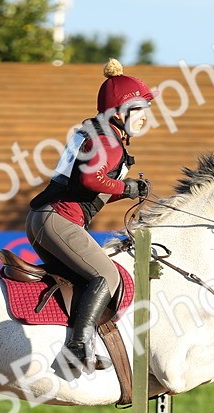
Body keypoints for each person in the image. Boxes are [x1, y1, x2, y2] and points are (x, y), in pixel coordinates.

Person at [27, 58, 154, 373]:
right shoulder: (107, 139)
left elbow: (90, 191)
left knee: (85, 278)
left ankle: (72, 341)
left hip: (46, 218)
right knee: (107, 276)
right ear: (120, 112)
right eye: (140, 109)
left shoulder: (97, 133)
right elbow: (88, 179)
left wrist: (126, 190)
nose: (145, 117)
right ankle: (77, 348)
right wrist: (125, 186)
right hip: (56, 219)